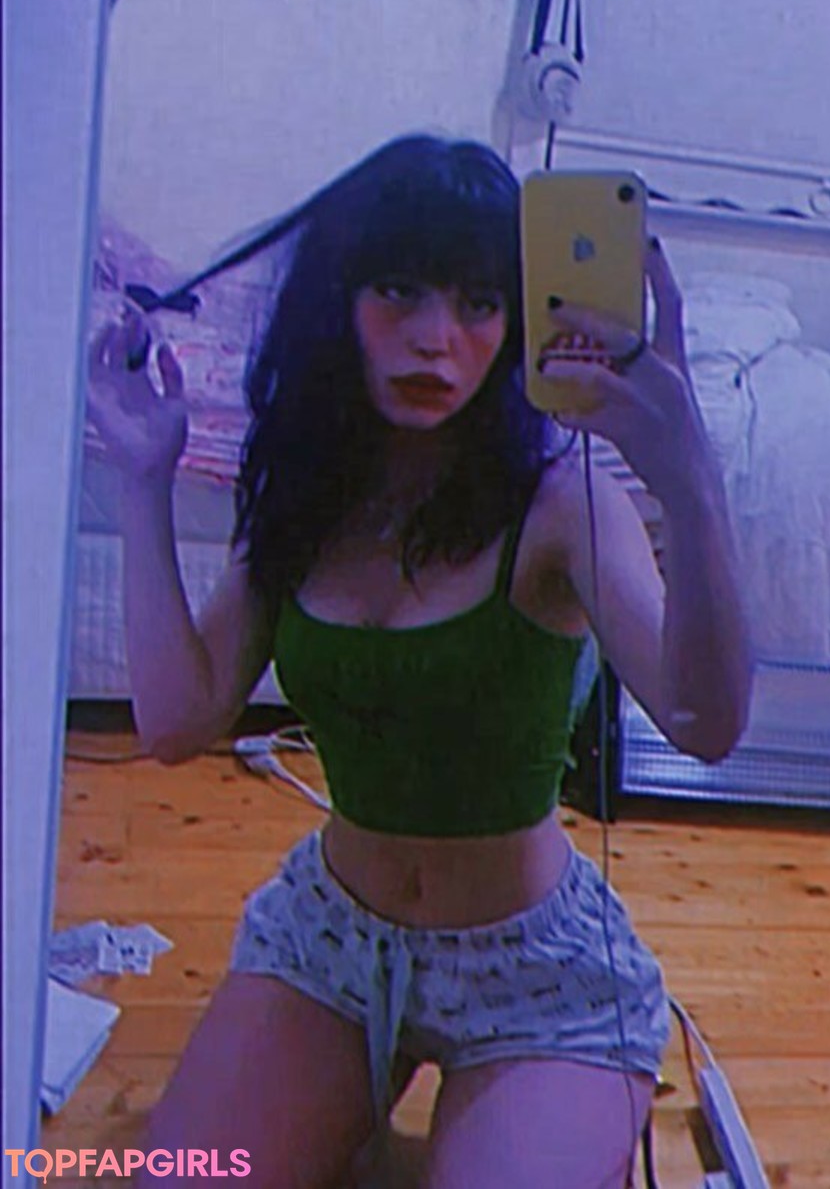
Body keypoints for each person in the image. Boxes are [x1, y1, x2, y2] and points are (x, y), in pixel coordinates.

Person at [86, 134, 751, 1189]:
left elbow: (706, 723)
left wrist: (692, 484)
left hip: (538, 971)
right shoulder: (306, 495)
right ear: (340, 301)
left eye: (480, 302)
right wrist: (141, 479)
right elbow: (175, 720)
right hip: (333, 942)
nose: (438, 340)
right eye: (399, 289)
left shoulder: (561, 502)